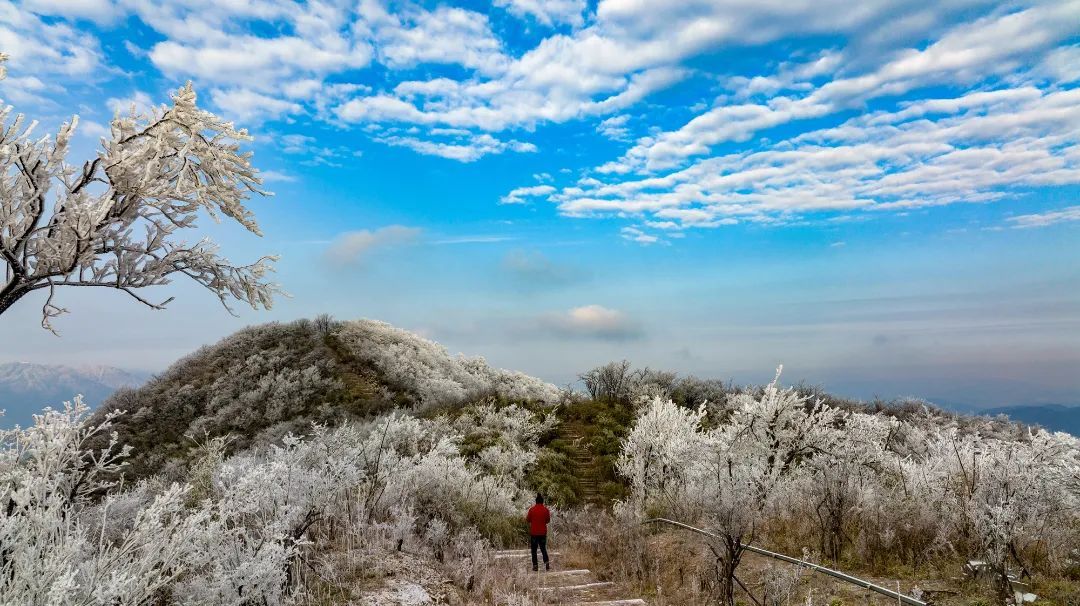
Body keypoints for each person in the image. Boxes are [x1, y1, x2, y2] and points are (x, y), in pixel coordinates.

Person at [525, 493, 551, 571]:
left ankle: (535, 566)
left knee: (534, 550)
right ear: (542, 502)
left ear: (536, 501)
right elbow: (548, 520)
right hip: (543, 533)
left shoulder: (532, 509)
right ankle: (546, 564)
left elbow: (528, 520)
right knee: (543, 549)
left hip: (534, 533)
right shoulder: (546, 510)